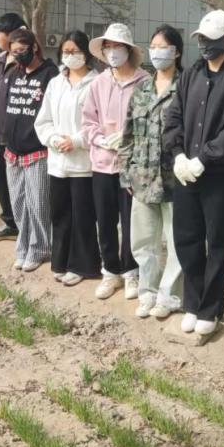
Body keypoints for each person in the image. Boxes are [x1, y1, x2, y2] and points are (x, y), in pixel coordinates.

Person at [163, 9, 224, 336]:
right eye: (201, 39)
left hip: (218, 176)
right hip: (186, 173)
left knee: (216, 243)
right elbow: (174, 117)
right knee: (187, 239)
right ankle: (193, 302)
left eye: (211, 39)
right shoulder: (191, 75)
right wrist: (178, 155)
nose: (204, 45)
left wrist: (205, 158)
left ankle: (210, 308)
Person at [119, 24, 184, 319]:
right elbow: (127, 135)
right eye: (153, 47)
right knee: (143, 241)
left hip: (174, 180)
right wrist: (126, 172)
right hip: (142, 179)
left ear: (176, 51)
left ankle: (170, 295)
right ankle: (148, 291)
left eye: (163, 47)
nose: (157, 52)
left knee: (176, 241)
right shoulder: (142, 89)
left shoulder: (185, 88)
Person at [83, 23, 150, 300]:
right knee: (106, 219)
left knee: (132, 220)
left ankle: (131, 271)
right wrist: (100, 140)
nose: (112, 52)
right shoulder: (98, 83)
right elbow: (88, 120)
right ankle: (110, 270)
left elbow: (150, 120)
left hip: (132, 164)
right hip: (102, 163)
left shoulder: (144, 81)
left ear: (129, 50)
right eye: (107, 47)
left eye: (117, 46)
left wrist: (129, 137)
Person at [34, 30, 101, 284]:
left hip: (84, 163)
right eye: (66, 51)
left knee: (82, 216)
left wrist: (76, 141)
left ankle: (83, 265)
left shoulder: (96, 83)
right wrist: (53, 139)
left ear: (86, 53)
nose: (70, 56)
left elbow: (100, 123)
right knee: (60, 214)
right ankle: (60, 261)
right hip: (58, 162)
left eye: (75, 51)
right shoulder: (56, 82)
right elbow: (44, 120)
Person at [2, 28, 58, 271]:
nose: (18, 55)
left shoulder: (50, 74)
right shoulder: (14, 73)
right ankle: (23, 246)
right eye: (13, 52)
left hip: (37, 150)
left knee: (38, 204)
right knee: (18, 203)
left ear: (34, 47)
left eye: (22, 50)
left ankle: (40, 248)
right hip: (12, 151)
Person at [0, 12, 28, 242]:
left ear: (11, 35)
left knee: (19, 185)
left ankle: (26, 227)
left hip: (17, 138)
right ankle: (10, 222)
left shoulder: (25, 63)